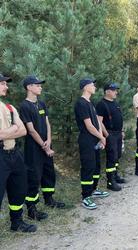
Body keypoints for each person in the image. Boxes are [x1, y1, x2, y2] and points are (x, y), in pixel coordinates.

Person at [19, 75, 65, 222]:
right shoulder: (24, 106)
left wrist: (49, 141)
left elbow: (47, 123)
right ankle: (31, 210)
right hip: (34, 148)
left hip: (46, 145)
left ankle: (49, 199)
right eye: (37, 85)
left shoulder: (41, 104)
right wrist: (44, 146)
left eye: (40, 85)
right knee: (34, 177)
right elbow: (31, 130)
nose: (40, 87)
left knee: (48, 172)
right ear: (29, 87)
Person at [0, 73, 37, 232]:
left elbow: (23, 131)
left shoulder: (9, 107)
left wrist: (10, 130)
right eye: (2, 83)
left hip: (14, 155)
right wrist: (14, 128)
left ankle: (17, 222)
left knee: (19, 189)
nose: (6, 86)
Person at [74, 78, 109, 210]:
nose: (94, 86)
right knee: (88, 167)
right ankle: (86, 196)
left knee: (96, 166)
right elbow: (88, 126)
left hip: (95, 139)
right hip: (87, 140)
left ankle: (94, 189)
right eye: (92, 85)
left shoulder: (90, 103)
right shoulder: (81, 104)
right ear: (85, 87)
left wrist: (101, 138)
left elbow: (97, 123)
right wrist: (102, 137)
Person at [96, 82, 125, 192]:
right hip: (110, 133)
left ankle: (116, 175)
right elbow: (99, 121)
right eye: (113, 90)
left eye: (116, 90)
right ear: (107, 91)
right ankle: (110, 181)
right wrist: (106, 134)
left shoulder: (115, 103)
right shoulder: (101, 104)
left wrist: (122, 131)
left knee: (117, 155)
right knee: (112, 157)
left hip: (118, 133)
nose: (116, 92)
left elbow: (119, 118)